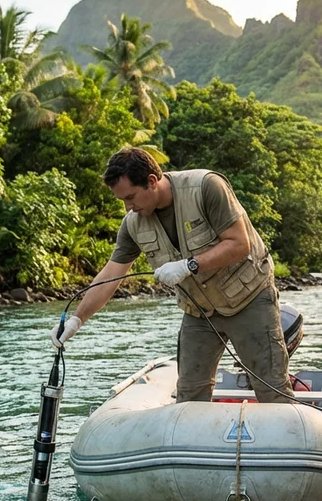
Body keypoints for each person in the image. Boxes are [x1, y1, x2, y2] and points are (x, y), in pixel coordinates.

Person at [49, 146, 291, 403]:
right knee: (189, 395)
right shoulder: (132, 223)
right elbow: (113, 273)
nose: (128, 207)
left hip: (249, 298)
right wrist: (77, 320)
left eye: (130, 197)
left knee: (271, 389)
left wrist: (189, 266)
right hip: (199, 311)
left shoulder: (207, 187)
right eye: (122, 201)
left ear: (152, 181)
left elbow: (239, 244)